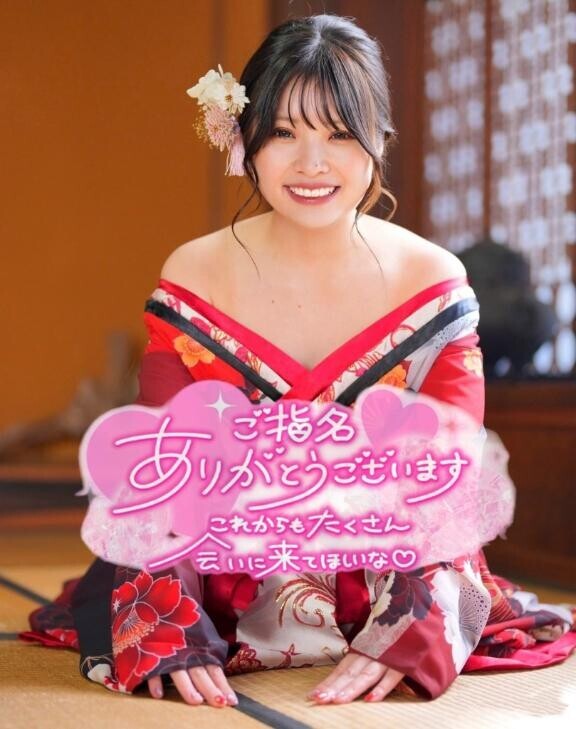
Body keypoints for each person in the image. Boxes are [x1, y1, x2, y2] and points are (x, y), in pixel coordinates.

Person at [19, 13, 576, 709]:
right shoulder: (194, 273)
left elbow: (448, 480)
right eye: (283, 132)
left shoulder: (431, 278)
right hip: (221, 577)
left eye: (339, 134)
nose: (312, 164)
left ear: (380, 139)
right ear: (242, 138)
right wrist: (165, 625)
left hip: (387, 568)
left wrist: (411, 631)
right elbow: (165, 473)